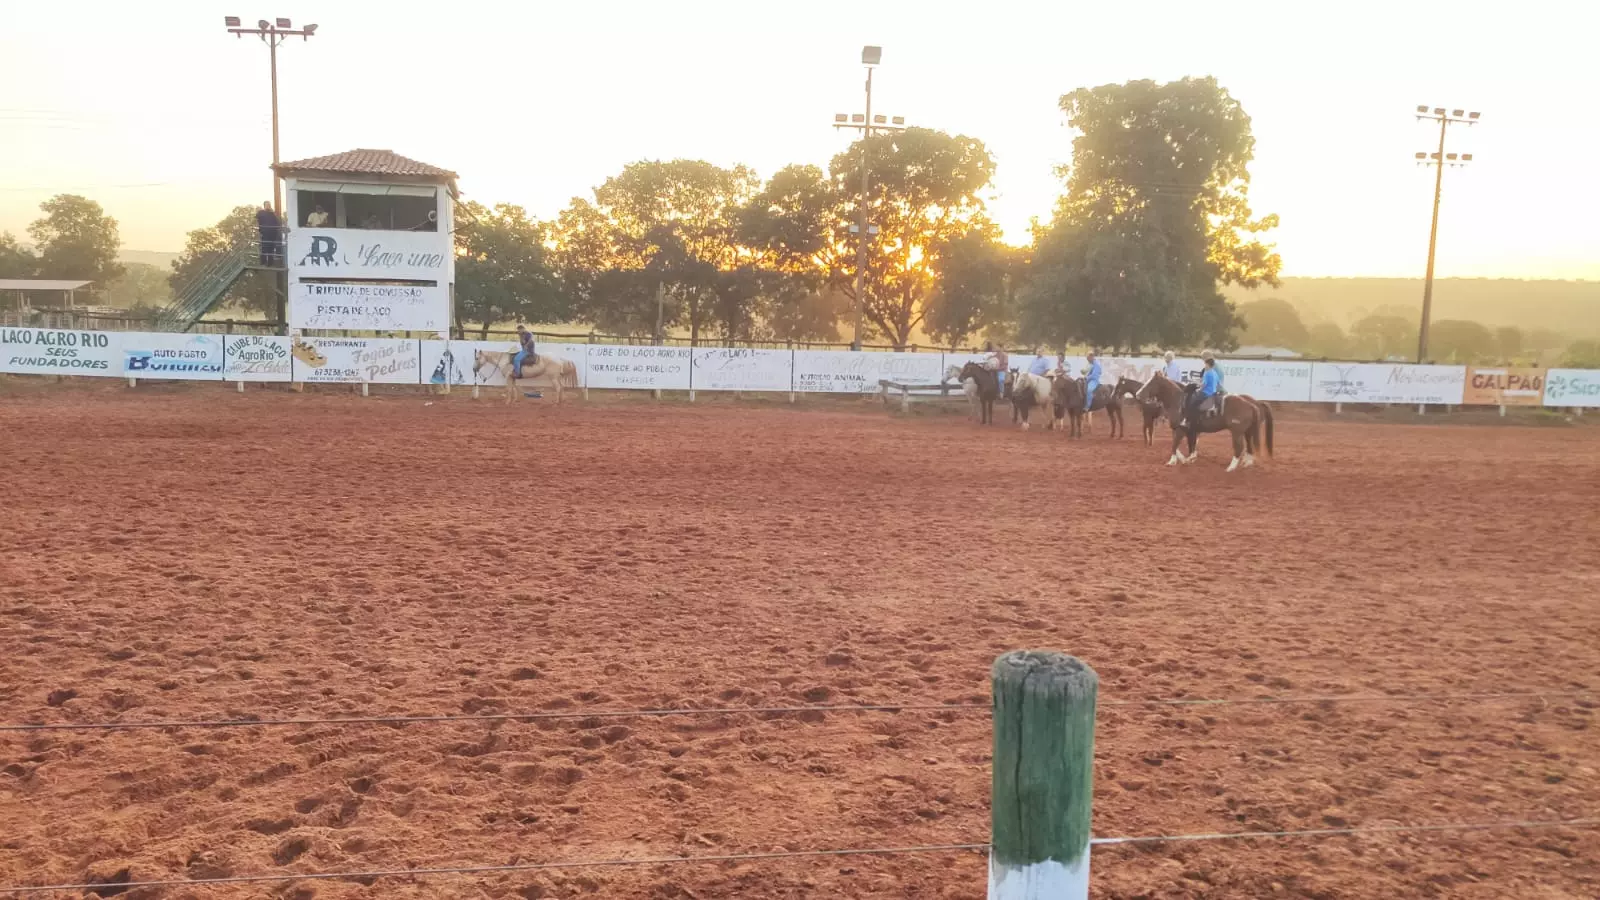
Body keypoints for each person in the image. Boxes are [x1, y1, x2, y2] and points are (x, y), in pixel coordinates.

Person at [1186, 351, 1223, 425]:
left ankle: (1190, 421)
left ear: (1208, 365)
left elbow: (1204, 384)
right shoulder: (1214, 373)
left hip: (1206, 393)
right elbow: (1218, 383)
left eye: (1205, 364)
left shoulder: (1207, 373)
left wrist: (1199, 389)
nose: (1204, 365)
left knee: (1192, 403)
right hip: (1213, 392)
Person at [256, 201, 283, 265]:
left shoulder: (272, 214)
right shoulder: (261, 213)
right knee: (264, 247)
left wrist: (273, 212)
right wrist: (259, 229)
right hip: (264, 233)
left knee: (271, 248)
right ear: (264, 205)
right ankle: (263, 262)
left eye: (269, 205)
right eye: (267, 205)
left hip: (272, 234)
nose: (268, 206)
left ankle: (270, 262)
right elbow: (256, 220)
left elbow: (277, 223)